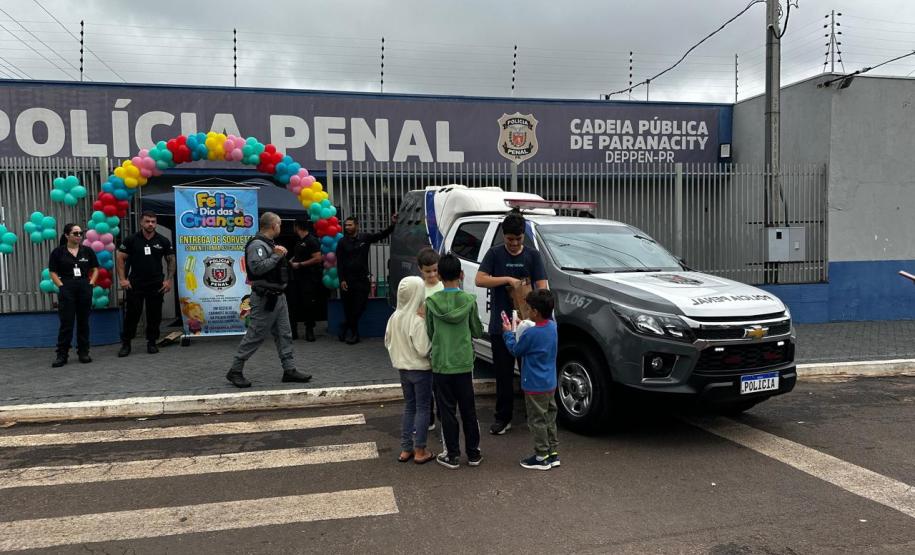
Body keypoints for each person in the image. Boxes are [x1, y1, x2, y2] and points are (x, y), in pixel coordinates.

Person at [475, 209, 549, 435]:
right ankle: (503, 417)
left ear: (523, 237)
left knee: (530, 373)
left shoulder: (533, 256)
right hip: (503, 325)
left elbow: (543, 286)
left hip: (528, 326)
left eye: (518, 239)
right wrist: (507, 280)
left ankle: (533, 415)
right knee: (503, 375)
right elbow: (479, 279)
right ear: (503, 236)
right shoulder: (495, 254)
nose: (515, 243)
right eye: (510, 239)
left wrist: (532, 302)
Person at [225, 212, 312, 388]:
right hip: (265, 297)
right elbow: (256, 268)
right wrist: (276, 256)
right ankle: (235, 370)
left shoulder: (269, 244)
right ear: (273, 226)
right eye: (279, 224)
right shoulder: (257, 245)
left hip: (278, 297)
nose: (280, 228)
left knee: (284, 333)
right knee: (255, 335)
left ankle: (289, 369)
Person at [425, 254, 484, 469]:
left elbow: (430, 333)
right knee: (468, 409)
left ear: (439, 276)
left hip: (441, 363)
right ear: (461, 275)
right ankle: (474, 453)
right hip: (463, 363)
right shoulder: (469, 301)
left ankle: (452, 454)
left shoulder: (431, 302)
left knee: (447, 410)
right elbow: (477, 330)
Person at [503, 289, 560, 471]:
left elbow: (516, 350)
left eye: (529, 309)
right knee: (550, 417)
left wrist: (509, 333)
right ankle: (552, 452)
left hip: (534, 384)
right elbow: (537, 333)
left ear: (535, 311)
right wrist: (524, 325)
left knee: (536, 420)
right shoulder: (553, 327)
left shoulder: (531, 334)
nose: (526, 311)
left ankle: (541, 455)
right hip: (550, 382)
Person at [385, 276, 435, 465]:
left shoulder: (394, 317)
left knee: (409, 407)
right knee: (423, 408)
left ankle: (406, 449)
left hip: (402, 369)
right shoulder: (417, 320)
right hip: (421, 371)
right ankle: (420, 449)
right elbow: (424, 349)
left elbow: (387, 341)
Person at [116, 211, 175, 356]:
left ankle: (152, 342)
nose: (150, 224)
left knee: (154, 315)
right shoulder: (131, 239)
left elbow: (171, 260)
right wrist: (123, 279)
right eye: (147, 221)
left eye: (153, 221)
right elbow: (120, 258)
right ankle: (126, 343)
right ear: (141, 222)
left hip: (156, 284)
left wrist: (168, 280)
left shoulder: (163, 240)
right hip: (135, 283)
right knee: (132, 315)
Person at [336, 213, 396, 345]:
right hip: (348, 280)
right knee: (349, 308)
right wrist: (342, 280)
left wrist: (392, 224)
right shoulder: (342, 242)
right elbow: (339, 263)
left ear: (357, 225)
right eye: (346, 225)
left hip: (362, 279)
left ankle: (345, 325)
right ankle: (354, 334)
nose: (347, 227)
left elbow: (382, 235)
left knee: (360, 307)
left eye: (350, 225)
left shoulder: (365, 238)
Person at [48, 223, 99, 367]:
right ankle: (62, 355)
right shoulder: (58, 252)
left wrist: (91, 283)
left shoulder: (87, 251)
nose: (79, 236)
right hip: (67, 287)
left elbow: (95, 269)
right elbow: (52, 271)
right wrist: (61, 286)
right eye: (75, 233)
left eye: (80, 233)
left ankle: (83, 352)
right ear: (66, 235)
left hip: (84, 286)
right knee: (67, 323)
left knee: (83, 322)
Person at [417, 246, 444, 431]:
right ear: (420, 269)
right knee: (425, 383)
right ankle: (429, 417)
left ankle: (442, 415)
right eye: (428, 271)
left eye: (435, 270)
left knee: (439, 383)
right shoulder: (418, 288)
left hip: (439, 341)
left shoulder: (443, 286)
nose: (432, 274)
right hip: (422, 340)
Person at [288, 219, 322, 342]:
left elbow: (318, 258)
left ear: (297, 227)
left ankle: (309, 331)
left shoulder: (311, 240)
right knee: (293, 304)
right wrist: (293, 260)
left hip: (309, 278)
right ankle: (294, 331)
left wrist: (300, 264)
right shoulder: (299, 241)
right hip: (296, 278)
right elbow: (299, 255)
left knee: (308, 305)